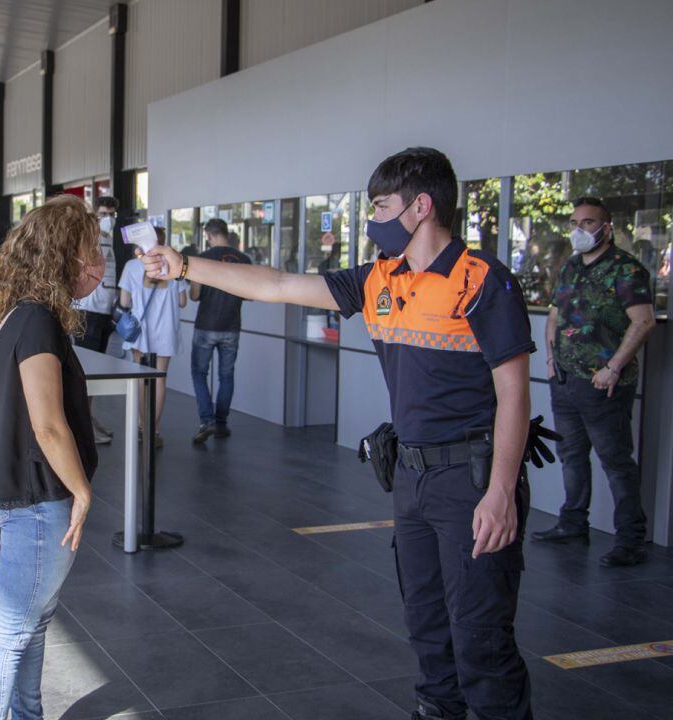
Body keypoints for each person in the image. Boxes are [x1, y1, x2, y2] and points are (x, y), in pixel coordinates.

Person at [142, 147, 536, 720]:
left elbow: (515, 395)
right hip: (411, 475)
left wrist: (500, 491)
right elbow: (275, 285)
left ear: (421, 206)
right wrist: (185, 267)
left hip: (470, 481)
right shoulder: (379, 278)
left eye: (381, 205)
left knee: (482, 639)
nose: (373, 217)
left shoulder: (482, 282)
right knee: (428, 629)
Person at [0, 194, 97, 720]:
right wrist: (83, 490)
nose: (98, 265)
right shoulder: (39, 321)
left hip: (18, 494)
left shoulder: (16, 316)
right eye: (92, 252)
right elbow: (48, 425)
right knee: (12, 631)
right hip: (40, 500)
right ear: (64, 256)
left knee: (32, 624)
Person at [531, 196, 657, 567]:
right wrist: (552, 359)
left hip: (604, 386)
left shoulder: (626, 270)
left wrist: (614, 366)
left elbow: (644, 321)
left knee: (616, 462)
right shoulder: (570, 266)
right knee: (571, 456)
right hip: (566, 381)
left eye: (587, 223)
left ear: (606, 228)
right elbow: (554, 315)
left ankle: (630, 540)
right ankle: (573, 522)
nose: (579, 229)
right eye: (574, 222)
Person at [118, 226, 187, 449]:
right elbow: (183, 302)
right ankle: (154, 429)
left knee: (140, 378)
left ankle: (142, 425)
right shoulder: (176, 264)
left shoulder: (131, 266)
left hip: (141, 331)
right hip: (166, 329)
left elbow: (125, 302)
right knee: (160, 380)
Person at [190, 218, 250, 443]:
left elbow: (195, 295)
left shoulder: (203, 259)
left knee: (199, 373)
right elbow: (249, 293)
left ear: (208, 235)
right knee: (227, 376)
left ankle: (207, 421)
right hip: (231, 326)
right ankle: (222, 423)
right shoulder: (244, 260)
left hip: (206, 325)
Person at [73, 196, 119, 444]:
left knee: (96, 369)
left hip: (105, 310)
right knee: (85, 370)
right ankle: (83, 424)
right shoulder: (88, 239)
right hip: (88, 309)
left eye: (112, 214)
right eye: (103, 214)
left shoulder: (114, 241)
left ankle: (89, 417)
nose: (108, 219)